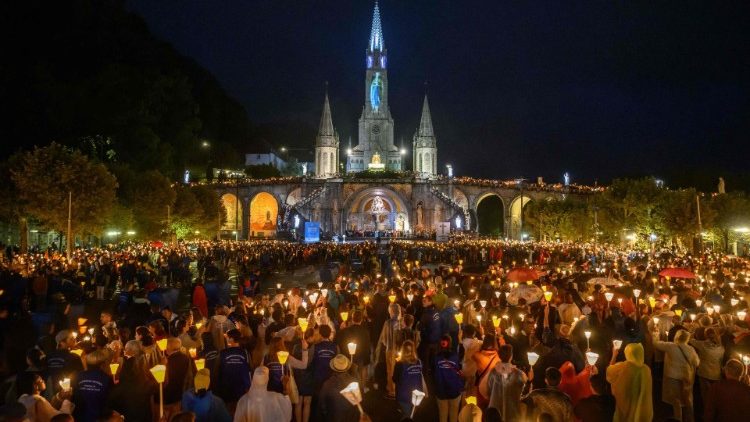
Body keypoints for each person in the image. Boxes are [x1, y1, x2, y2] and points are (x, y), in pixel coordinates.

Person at [653, 328, 699, 422]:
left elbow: (656, 344)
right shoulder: (690, 349)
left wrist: (656, 333)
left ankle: (679, 418)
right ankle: (690, 418)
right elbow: (697, 363)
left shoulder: (671, 346)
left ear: (676, 337)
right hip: (686, 377)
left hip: (672, 377)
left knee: (676, 400)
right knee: (687, 399)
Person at [106, 341, 157, 422]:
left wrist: (115, 386)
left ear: (130, 350)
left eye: (125, 349)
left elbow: (126, 384)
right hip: (144, 408)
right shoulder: (143, 361)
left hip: (131, 407)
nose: (124, 351)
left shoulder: (129, 364)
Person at [606, 342, 653, 422]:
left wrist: (614, 355)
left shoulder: (622, 367)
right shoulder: (646, 369)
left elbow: (609, 373)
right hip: (640, 409)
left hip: (624, 410)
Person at [486, 344, 527, 422]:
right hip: (512, 412)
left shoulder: (493, 372)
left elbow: (489, 389)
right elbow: (524, 391)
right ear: (511, 356)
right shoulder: (518, 374)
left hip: (495, 411)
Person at [215, 328, 251, 412]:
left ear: (231, 339)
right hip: (241, 389)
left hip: (226, 388)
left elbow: (218, 371)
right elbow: (248, 371)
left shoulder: (223, 353)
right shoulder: (245, 352)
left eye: (227, 337)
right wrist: (248, 387)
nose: (226, 339)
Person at [688, 327, 724, 410]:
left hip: (704, 373)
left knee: (705, 395)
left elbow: (690, 339)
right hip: (716, 374)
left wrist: (693, 331)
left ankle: (707, 412)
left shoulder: (702, 345)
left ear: (706, 335)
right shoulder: (721, 348)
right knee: (715, 395)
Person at [317, 354, 360, 422]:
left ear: (333, 367)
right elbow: (357, 402)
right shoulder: (354, 381)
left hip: (333, 417)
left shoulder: (328, 384)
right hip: (350, 417)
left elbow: (322, 404)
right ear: (347, 367)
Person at [72, 350, 112, 422]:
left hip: (78, 416)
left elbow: (74, 394)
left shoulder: (78, 375)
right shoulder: (106, 378)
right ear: (102, 364)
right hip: (97, 417)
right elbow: (108, 400)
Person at [393, 339, 427, 417]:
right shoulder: (419, 362)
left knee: (406, 416)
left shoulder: (400, 364)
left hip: (404, 396)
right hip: (417, 396)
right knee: (411, 415)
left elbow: (395, 379)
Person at [162, 337, 194, 419]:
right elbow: (189, 376)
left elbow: (163, 379)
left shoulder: (167, 361)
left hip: (167, 397)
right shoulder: (185, 358)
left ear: (169, 347)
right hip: (179, 395)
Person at [434, 336, 464, 422]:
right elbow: (459, 369)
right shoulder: (455, 356)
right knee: (454, 416)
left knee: (442, 416)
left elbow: (434, 372)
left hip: (441, 391)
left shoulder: (436, 358)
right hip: (454, 390)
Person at [311, 324, 338, 389]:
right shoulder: (335, 347)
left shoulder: (315, 347)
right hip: (330, 377)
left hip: (318, 377)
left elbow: (310, 361)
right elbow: (337, 362)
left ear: (320, 334)